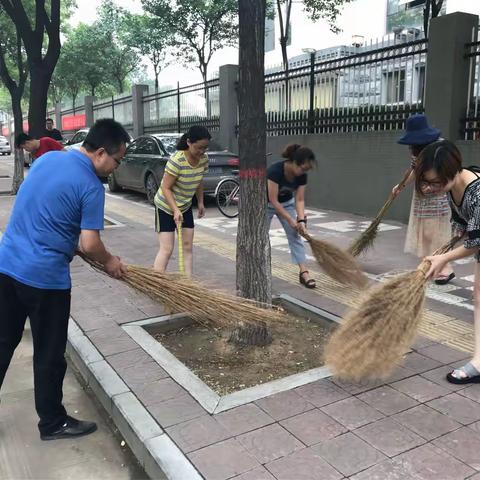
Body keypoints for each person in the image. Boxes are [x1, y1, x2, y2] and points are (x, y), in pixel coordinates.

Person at [0, 118, 129, 440]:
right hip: (44, 280)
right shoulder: (90, 185)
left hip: (7, 265)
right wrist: (110, 261)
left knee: (2, 343)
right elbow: (90, 243)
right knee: (49, 353)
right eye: (117, 160)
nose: (116, 167)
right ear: (100, 153)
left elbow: (42, 209)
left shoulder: (49, 158)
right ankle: (52, 423)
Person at [414, 140, 480, 383]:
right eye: (426, 182)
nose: (430, 188)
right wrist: (443, 253)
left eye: (435, 182)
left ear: (452, 171)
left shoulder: (477, 193)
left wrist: (444, 258)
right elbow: (464, 230)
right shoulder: (453, 187)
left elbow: (476, 242)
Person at [392, 114, 454, 285]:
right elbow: (414, 170)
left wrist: (434, 187)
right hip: (421, 196)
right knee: (426, 233)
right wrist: (400, 186)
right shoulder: (415, 149)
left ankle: (446, 269)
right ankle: (432, 265)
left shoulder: (440, 149)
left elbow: (450, 175)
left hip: (438, 195)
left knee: (436, 233)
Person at [153, 125, 209, 275]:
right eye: (199, 148)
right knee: (167, 248)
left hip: (184, 206)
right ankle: (158, 283)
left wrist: (201, 202)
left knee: (187, 246)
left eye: (205, 148)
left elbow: (199, 180)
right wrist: (175, 210)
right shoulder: (177, 160)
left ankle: (188, 285)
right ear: (189, 143)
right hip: (165, 206)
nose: (202, 152)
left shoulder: (203, 160)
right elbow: (165, 188)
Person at [267, 144, 317, 288]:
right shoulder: (275, 171)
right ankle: (261, 268)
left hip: (287, 203)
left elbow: (300, 199)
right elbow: (273, 200)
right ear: (294, 162)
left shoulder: (302, 176)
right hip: (266, 204)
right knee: (261, 237)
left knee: (295, 236)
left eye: (306, 170)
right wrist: (290, 219)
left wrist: (300, 220)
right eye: (302, 168)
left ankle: (304, 272)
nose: (303, 172)